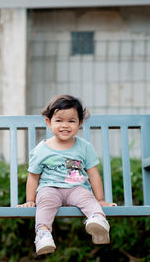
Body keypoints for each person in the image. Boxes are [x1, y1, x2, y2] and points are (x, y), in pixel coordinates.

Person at [18, 94, 116, 255]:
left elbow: (93, 175)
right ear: (49, 122)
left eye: (71, 121)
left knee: (87, 198)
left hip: (76, 188)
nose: (65, 125)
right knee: (45, 202)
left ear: (80, 123)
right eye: (59, 120)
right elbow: (33, 176)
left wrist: (100, 200)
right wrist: (30, 200)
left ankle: (98, 220)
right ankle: (43, 234)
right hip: (50, 188)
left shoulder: (84, 147)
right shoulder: (41, 150)